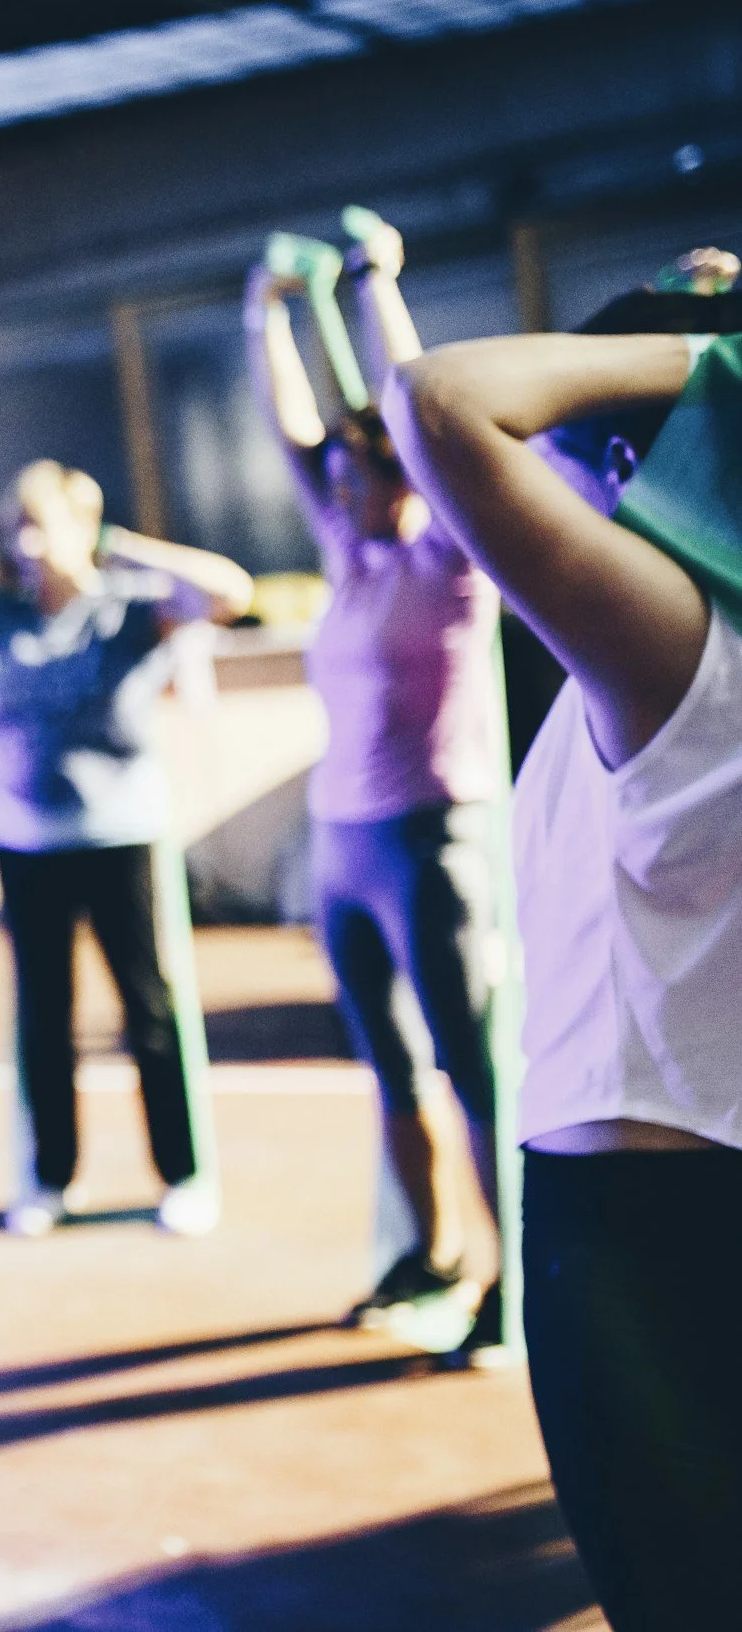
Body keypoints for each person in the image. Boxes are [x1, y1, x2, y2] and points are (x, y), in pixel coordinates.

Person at [384, 266, 742, 1632]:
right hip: (654, 1206)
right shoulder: (652, 655)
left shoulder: (679, 652)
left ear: (614, 459)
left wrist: (714, 349)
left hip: (655, 1243)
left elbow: (440, 402)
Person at [247, 220, 505, 1354]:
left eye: (359, 471)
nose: (338, 486)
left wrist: (373, 284)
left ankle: (511, 1281)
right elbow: (292, 429)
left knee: (472, 1067)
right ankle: (430, 1250)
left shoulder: (452, 555)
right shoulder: (349, 559)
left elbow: (415, 401)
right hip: (343, 843)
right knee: (392, 1067)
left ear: (399, 471)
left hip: (430, 838)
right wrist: (262, 310)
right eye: (337, 475)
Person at [0, 459, 254, 1239]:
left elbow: (232, 592)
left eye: (40, 522)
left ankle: (184, 1173)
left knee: (150, 1007)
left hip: (122, 836)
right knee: (44, 1015)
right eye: (14, 526)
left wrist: (123, 547)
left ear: (81, 524)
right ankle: (51, 1177)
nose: (25, 542)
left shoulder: (129, 609)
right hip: (26, 842)